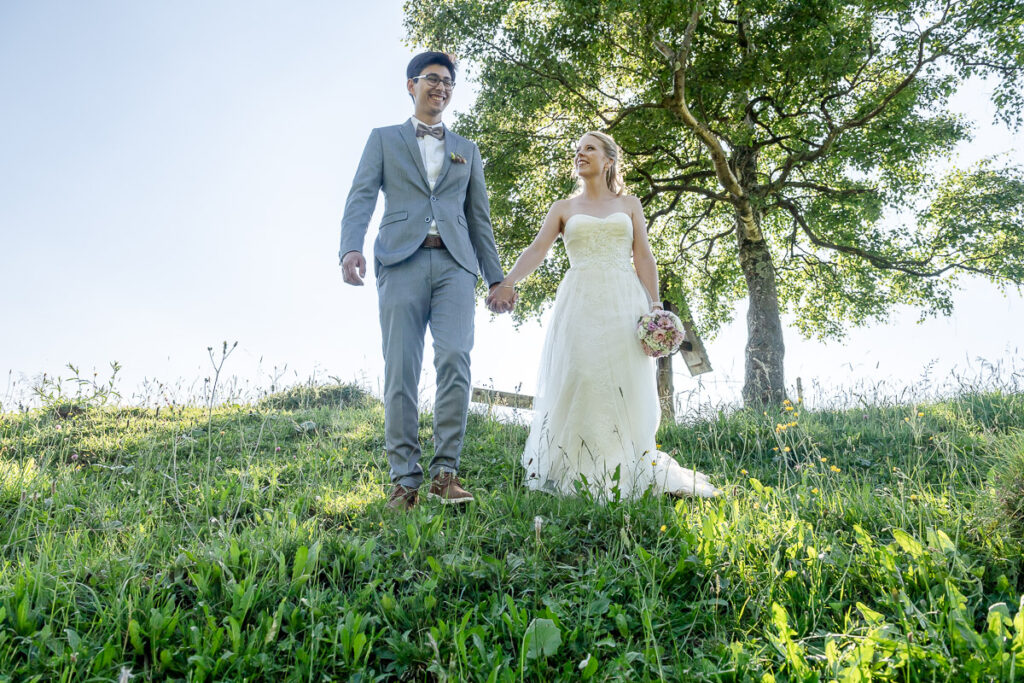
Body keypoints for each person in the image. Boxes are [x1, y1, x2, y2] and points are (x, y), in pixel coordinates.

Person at [486, 131, 718, 500]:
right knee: (583, 374)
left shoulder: (630, 204)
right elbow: (537, 249)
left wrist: (655, 306)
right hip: (580, 300)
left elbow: (643, 256)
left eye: (589, 148)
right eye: (577, 150)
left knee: (623, 379)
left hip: (624, 300)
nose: (580, 154)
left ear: (608, 160)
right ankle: (576, 466)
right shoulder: (563, 208)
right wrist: (508, 282)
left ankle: (625, 466)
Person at [340, 52, 511, 511]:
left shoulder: (467, 149)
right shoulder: (383, 139)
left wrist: (496, 278)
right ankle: (405, 481)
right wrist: (350, 247)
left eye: (448, 82)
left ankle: (445, 474)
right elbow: (360, 197)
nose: (442, 87)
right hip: (400, 262)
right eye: (433, 79)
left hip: (456, 265)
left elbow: (479, 219)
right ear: (411, 85)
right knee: (401, 368)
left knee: (455, 357)